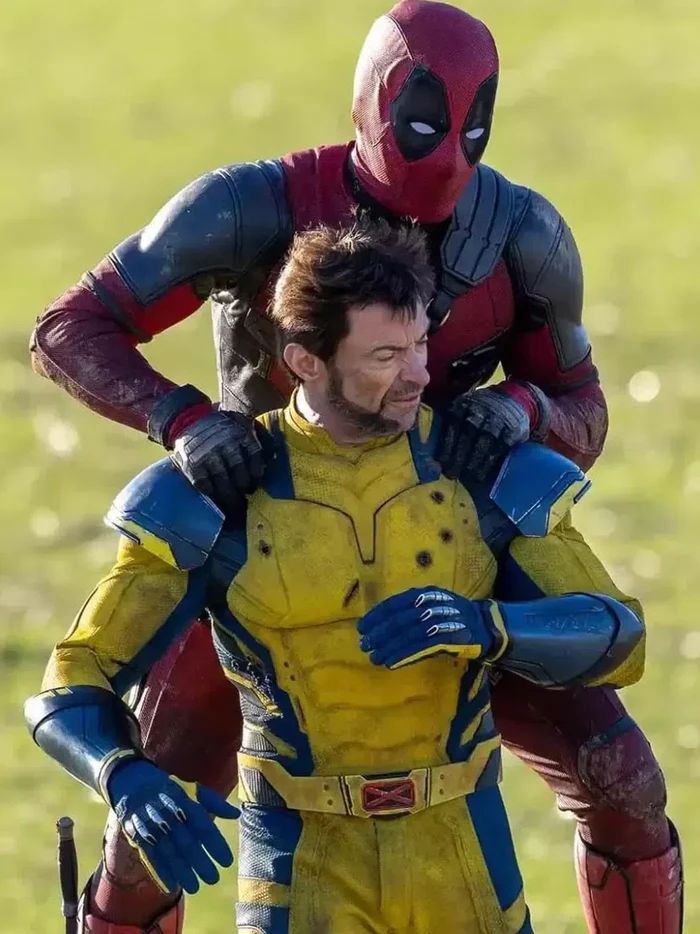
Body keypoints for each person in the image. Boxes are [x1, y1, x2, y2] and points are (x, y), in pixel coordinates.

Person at [29, 3, 681, 931]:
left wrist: (521, 410)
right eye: (422, 120)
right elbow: (69, 327)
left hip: (455, 543)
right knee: (147, 836)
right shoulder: (250, 208)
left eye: (469, 127)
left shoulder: (521, 235)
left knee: (623, 783)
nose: (445, 151)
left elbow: (586, 427)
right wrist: (185, 422)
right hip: (259, 549)